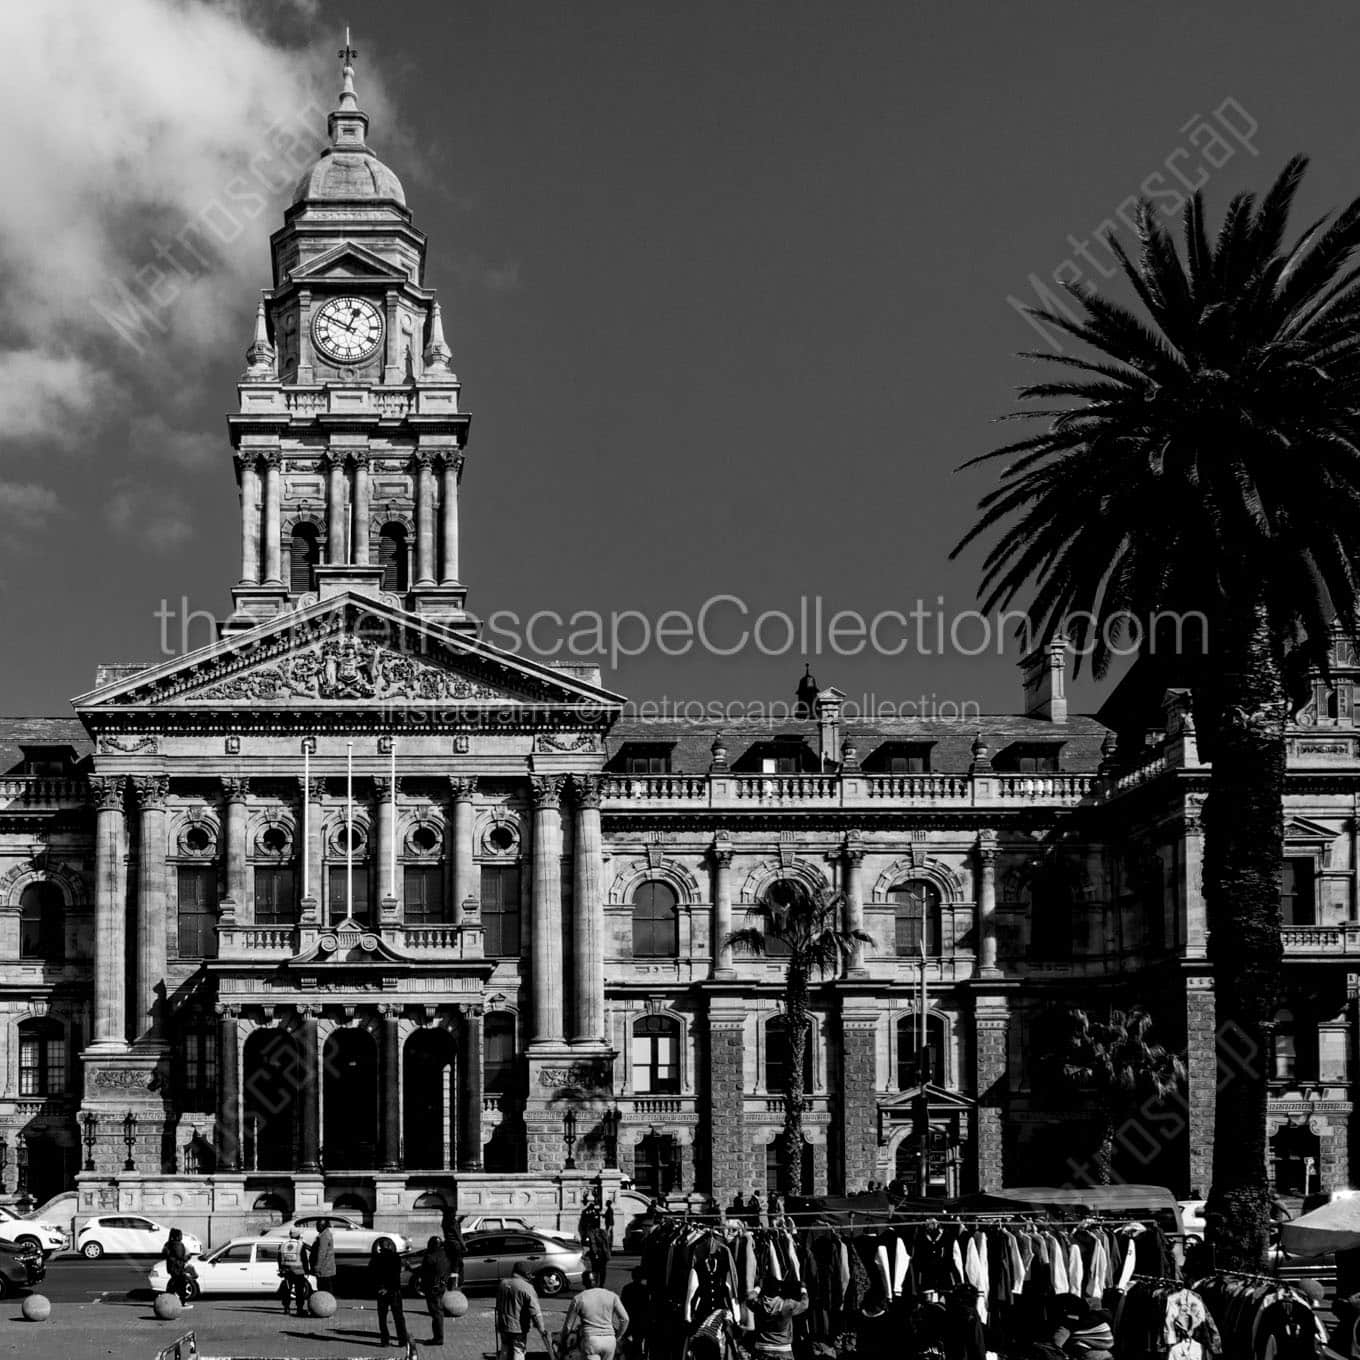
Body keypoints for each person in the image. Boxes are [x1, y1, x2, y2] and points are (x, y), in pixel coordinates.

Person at [560, 1268, 629, 1360]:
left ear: (584, 1282)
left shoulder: (579, 1298)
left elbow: (568, 1326)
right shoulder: (612, 1296)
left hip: (591, 1340)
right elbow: (625, 1319)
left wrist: (563, 1341)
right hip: (610, 1340)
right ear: (598, 1281)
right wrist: (618, 1336)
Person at [496, 1261, 553, 1360]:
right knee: (518, 1351)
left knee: (505, 1349)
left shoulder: (503, 1284)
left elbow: (498, 1306)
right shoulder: (527, 1288)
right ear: (526, 1274)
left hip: (504, 1325)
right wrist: (542, 1329)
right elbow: (535, 1312)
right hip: (518, 1328)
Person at [749, 1276, 808, 1357]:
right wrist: (803, 1289)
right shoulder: (788, 1305)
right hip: (783, 1350)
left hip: (762, 1349)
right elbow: (805, 1304)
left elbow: (749, 1298)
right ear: (779, 1290)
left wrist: (758, 1287)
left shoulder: (758, 1304)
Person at [370, 1236, 409, 1348]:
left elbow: (373, 1275)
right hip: (394, 1290)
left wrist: (381, 1287)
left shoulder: (376, 1258)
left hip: (381, 1291)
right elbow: (396, 1275)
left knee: (382, 1318)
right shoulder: (396, 1257)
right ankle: (402, 1340)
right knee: (399, 1317)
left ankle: (385, 1340)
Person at [417, 1235, 452, 1345]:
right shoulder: (444, 1255)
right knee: (438, 1312)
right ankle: (438, 1337)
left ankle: (438, 1338)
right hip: (441, 1287)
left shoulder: (430, 1257)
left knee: (436, 1313)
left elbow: (423, 1272)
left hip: (432, 1289)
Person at [278, 1226, 312, 1316]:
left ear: (290, 1235)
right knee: (299, 1291)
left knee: (287, 1290)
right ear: (298, 1235)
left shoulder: (283, 1244)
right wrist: (307, 1270)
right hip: (298, 1271)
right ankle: (299, 1309)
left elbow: (279, 1258)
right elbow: (304, 1259)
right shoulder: (301, 1245)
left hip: (287, 1271)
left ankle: (286, 1308)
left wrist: (281, 1269)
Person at [619, 1267, 650, 1360]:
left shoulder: (627, 1288)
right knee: (638, 1343)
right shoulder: (645, 1290)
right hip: (641, 1321)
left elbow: (622, 1305)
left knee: (628, 1343)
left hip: (629, 1319)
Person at [161, 1227, 194, 1309]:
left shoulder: (168, 1244)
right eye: (180, 1235)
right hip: (178, 1268)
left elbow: (165, 1254)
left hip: (171, 1268)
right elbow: (180, 1257)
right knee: (182, 1285)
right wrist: (188, 1257)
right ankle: (182, 1303)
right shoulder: (178, 1244)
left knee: (173, 1286)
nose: (181, 1237)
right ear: (177, 1236)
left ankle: (166, 1301)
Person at [312, 1218, 337, 1296]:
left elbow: (321, 1252)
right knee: (326, 1288)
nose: (316, 1227)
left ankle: (326, 1306)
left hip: (324, 1268)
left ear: (322, 1226)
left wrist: (317, 1266)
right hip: (327, 1267)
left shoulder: (324, 1236)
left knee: (324, 1289)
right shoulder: (326, 1234)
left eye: (318, 1225)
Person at [442, 1210, 467, 1287]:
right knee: (456, 1266)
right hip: (455, 1246)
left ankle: (449, 1282)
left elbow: (456, 1224)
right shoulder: (453, 1222)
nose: (455, 1214)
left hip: (448, 1245)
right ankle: (455, 1284)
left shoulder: (445, 1222)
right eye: (454, 1213)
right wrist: (464, 1246)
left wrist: (461, 1218)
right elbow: (458, 1236)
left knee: (451, 1264)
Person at [586, 1221, 612, 1287]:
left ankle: (596, 1284)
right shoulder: (603, 1232)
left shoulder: (591, 1233)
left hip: (597, 1254)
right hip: (604, 1253)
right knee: (603, 1270)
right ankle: (601, 1284)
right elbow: (607, 1244)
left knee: (595, 1270)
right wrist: (608, 1254)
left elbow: (593, 1244)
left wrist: (594, 1254)